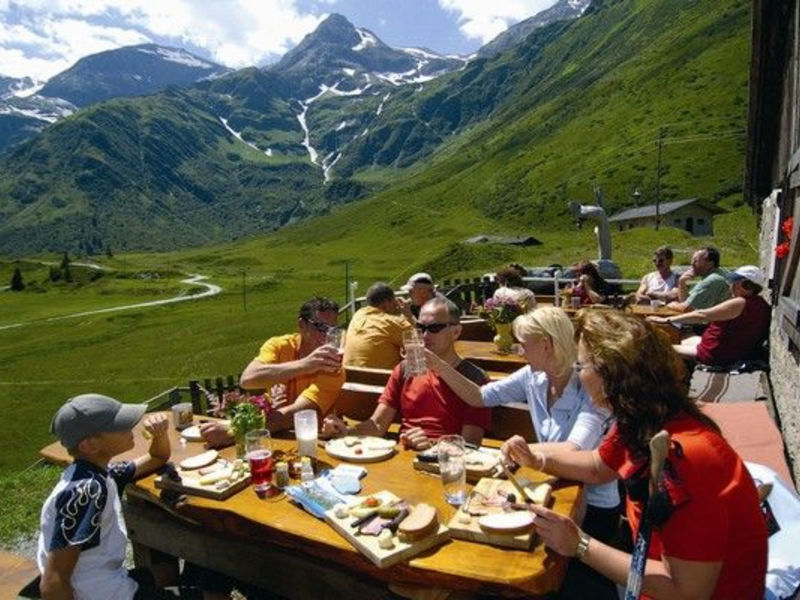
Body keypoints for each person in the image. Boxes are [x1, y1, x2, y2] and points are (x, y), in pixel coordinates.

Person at [503, 311, 768, 599]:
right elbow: (597, 467)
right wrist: (536, 459)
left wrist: (579, 545)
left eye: (582, 364)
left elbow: (688, 592)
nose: (578, 373)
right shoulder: (642, 421)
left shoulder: (686, 458)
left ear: (609, 374)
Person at [428, 306, 620, 599]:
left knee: (558, 581)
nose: (518, 350)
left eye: (523, 343)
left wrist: (526, 450)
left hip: (591, 504)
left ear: (546, 345)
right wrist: (440, 366)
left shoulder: (589, 385)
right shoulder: (533, 376)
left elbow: (574, 449)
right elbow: (480, 397)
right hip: (551, 492)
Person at [38, 394, 205, 600]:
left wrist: (159, 435)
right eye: (120, 425)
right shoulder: (86, 492)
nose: (131, 427)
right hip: (101, 594)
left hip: (102, 580)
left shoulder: (97, 473)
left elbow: (157, 457)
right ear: (89, 445)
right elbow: (53, 582)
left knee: (167, 571)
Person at [322, 297, 491, 450]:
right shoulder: (404, 369)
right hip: (404, 455)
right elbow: (378, 425)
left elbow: (470, 444)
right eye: (420, 328)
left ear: (456, 332)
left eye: (434, 328)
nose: (425, 335)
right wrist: (345, 431)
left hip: (444, 464)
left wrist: (432, 445)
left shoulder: (474, 380)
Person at [201, 297, 344, 447]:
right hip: (271, 434)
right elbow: (248, 379)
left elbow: (296, 414)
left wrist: (235, 430)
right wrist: (306, 365)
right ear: (302, 325)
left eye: (332, 330)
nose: (326, 337)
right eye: (321, 328)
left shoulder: (333, 366)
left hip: (314, 441)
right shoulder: (280, 345)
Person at [649, 265, 770, 366]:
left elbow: (702, 315)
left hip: (716, 354)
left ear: (746, 285)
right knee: (686, 335)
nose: (732, 285)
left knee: (659, 349)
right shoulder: (759, 303)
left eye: (735, 282)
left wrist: (666, 320)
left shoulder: (740, 302)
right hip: (726, 349)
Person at [343, 282, 413, 369]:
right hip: (381, 380)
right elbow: (418, 345)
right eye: (393, 302)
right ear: (386, 303)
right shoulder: (394, 322)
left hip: (350, 378)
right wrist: (408, 315)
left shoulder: (357, 315)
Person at [667, 246, 730, 312]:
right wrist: (681, 282)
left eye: (696, 261)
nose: (692, 263)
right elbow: (685, 301)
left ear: (710, 263)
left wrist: (671, 305)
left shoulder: (712, 280)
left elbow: (687, 308)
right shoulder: (718, 274)